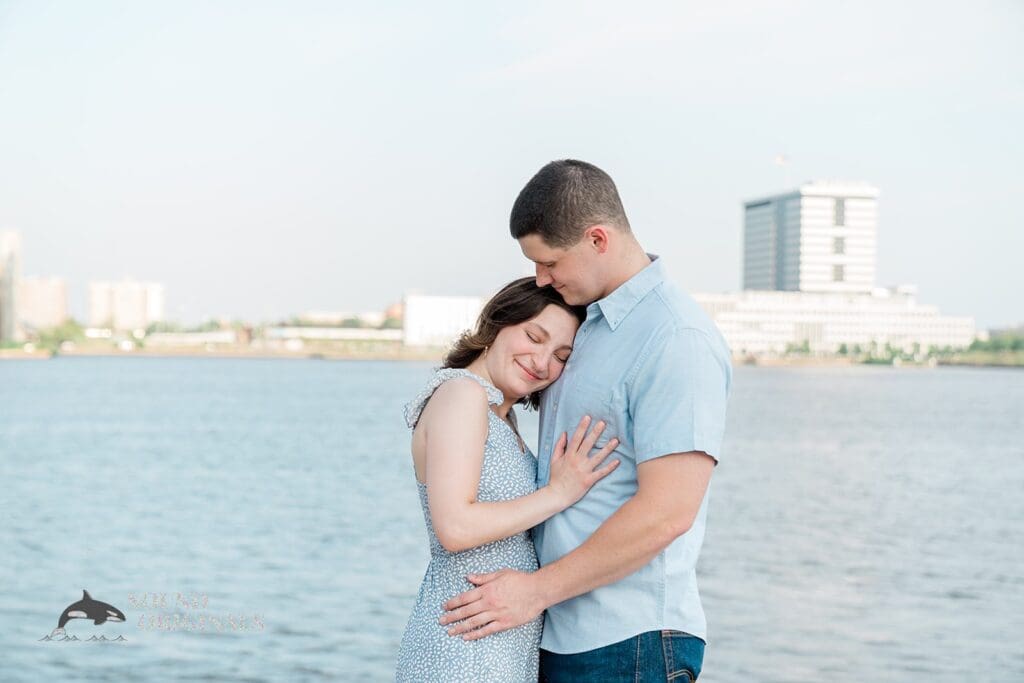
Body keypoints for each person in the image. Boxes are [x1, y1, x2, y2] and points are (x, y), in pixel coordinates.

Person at [439, 160, 732, 682]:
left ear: (597, 239)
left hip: (628, 641)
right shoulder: (581, 325)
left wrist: (534, 592)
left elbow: (668, 512)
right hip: (554, 632)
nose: (540, 278)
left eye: (549, 262)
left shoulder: (675, 338)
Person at [395, 276, 622, 682]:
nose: (542, 362)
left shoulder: (500, 415)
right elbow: (455, 527)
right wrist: (558, 493)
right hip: (463, 645)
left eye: (561, 356)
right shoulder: (462, 394)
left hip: (496, 641)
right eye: (534, 337)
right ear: (498, 322)